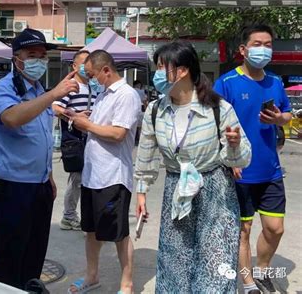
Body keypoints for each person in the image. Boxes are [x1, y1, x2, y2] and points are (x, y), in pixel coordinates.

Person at [135, 41, 252, 293]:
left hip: (215, 190)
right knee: (175, 260)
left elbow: (241, 160)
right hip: (176, 190)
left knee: (215, 261)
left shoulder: (218, 108)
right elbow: (146, 153)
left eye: (162, 67)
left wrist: (234, 145)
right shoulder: (156, 110)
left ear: (182, 70)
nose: (157, 73)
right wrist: (141, 190)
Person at [0, 28, 79, 290]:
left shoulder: (38, 90)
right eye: (32, 55)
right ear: (17, 59)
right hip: (12, 186)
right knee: (9, 255)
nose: (39, 60)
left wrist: (47, 175)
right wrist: (52, 95)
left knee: (35, 250)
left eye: (42, 55)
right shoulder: (5, 89)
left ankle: (29, 285)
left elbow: (40, 139)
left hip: (39, 185)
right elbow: (12, 118)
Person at [214, 24, 293, 294]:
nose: (264, 49)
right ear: (243, 50)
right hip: (239, 171)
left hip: (270, 169)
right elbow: (213, 124)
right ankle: (248, 283)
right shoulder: (226, 83)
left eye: (268, 44)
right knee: (244, 230)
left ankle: (262, 270)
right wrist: (229, 159)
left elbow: (287, 114)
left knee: (275, 229)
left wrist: (280, 118)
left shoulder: (275, 82)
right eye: (258, 44)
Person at [68, 50, 141, 294]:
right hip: (92, 175)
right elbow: (98, 127)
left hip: (112, 176)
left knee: (118, 233)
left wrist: (87, 124)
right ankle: (92, 276)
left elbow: (118, 134)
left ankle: (126, 284)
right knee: (91, 231)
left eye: (92, 75)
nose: (90, 79)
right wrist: (81, 118)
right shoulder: (102, 95)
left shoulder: (126, 95)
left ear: (106, 70)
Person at [52, 50, 97, 231]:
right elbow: (55, 107)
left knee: (89, 179)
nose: (87, 66)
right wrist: (73, 115)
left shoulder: (94, 87)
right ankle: (68, 216)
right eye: (84, 62)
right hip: (75, 140)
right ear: (74, 66)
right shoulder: (71, 86)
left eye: (90, 62)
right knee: (77, 178)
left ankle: (84, 215)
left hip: (91, 139)